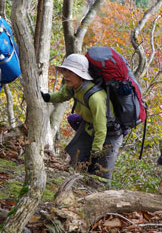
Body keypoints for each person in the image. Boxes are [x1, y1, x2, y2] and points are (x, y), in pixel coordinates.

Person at [41, 53, 123, 182]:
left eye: (70, 72)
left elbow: (101, 127)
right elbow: (62, 96)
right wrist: (48, 97)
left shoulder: (96, 97)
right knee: (73, 158)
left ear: (81, 75)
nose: (66, 75)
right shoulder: (73, 87)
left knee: (101, 175)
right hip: (88, 126)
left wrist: (96, 151)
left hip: (110, 133)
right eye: (65, 70)